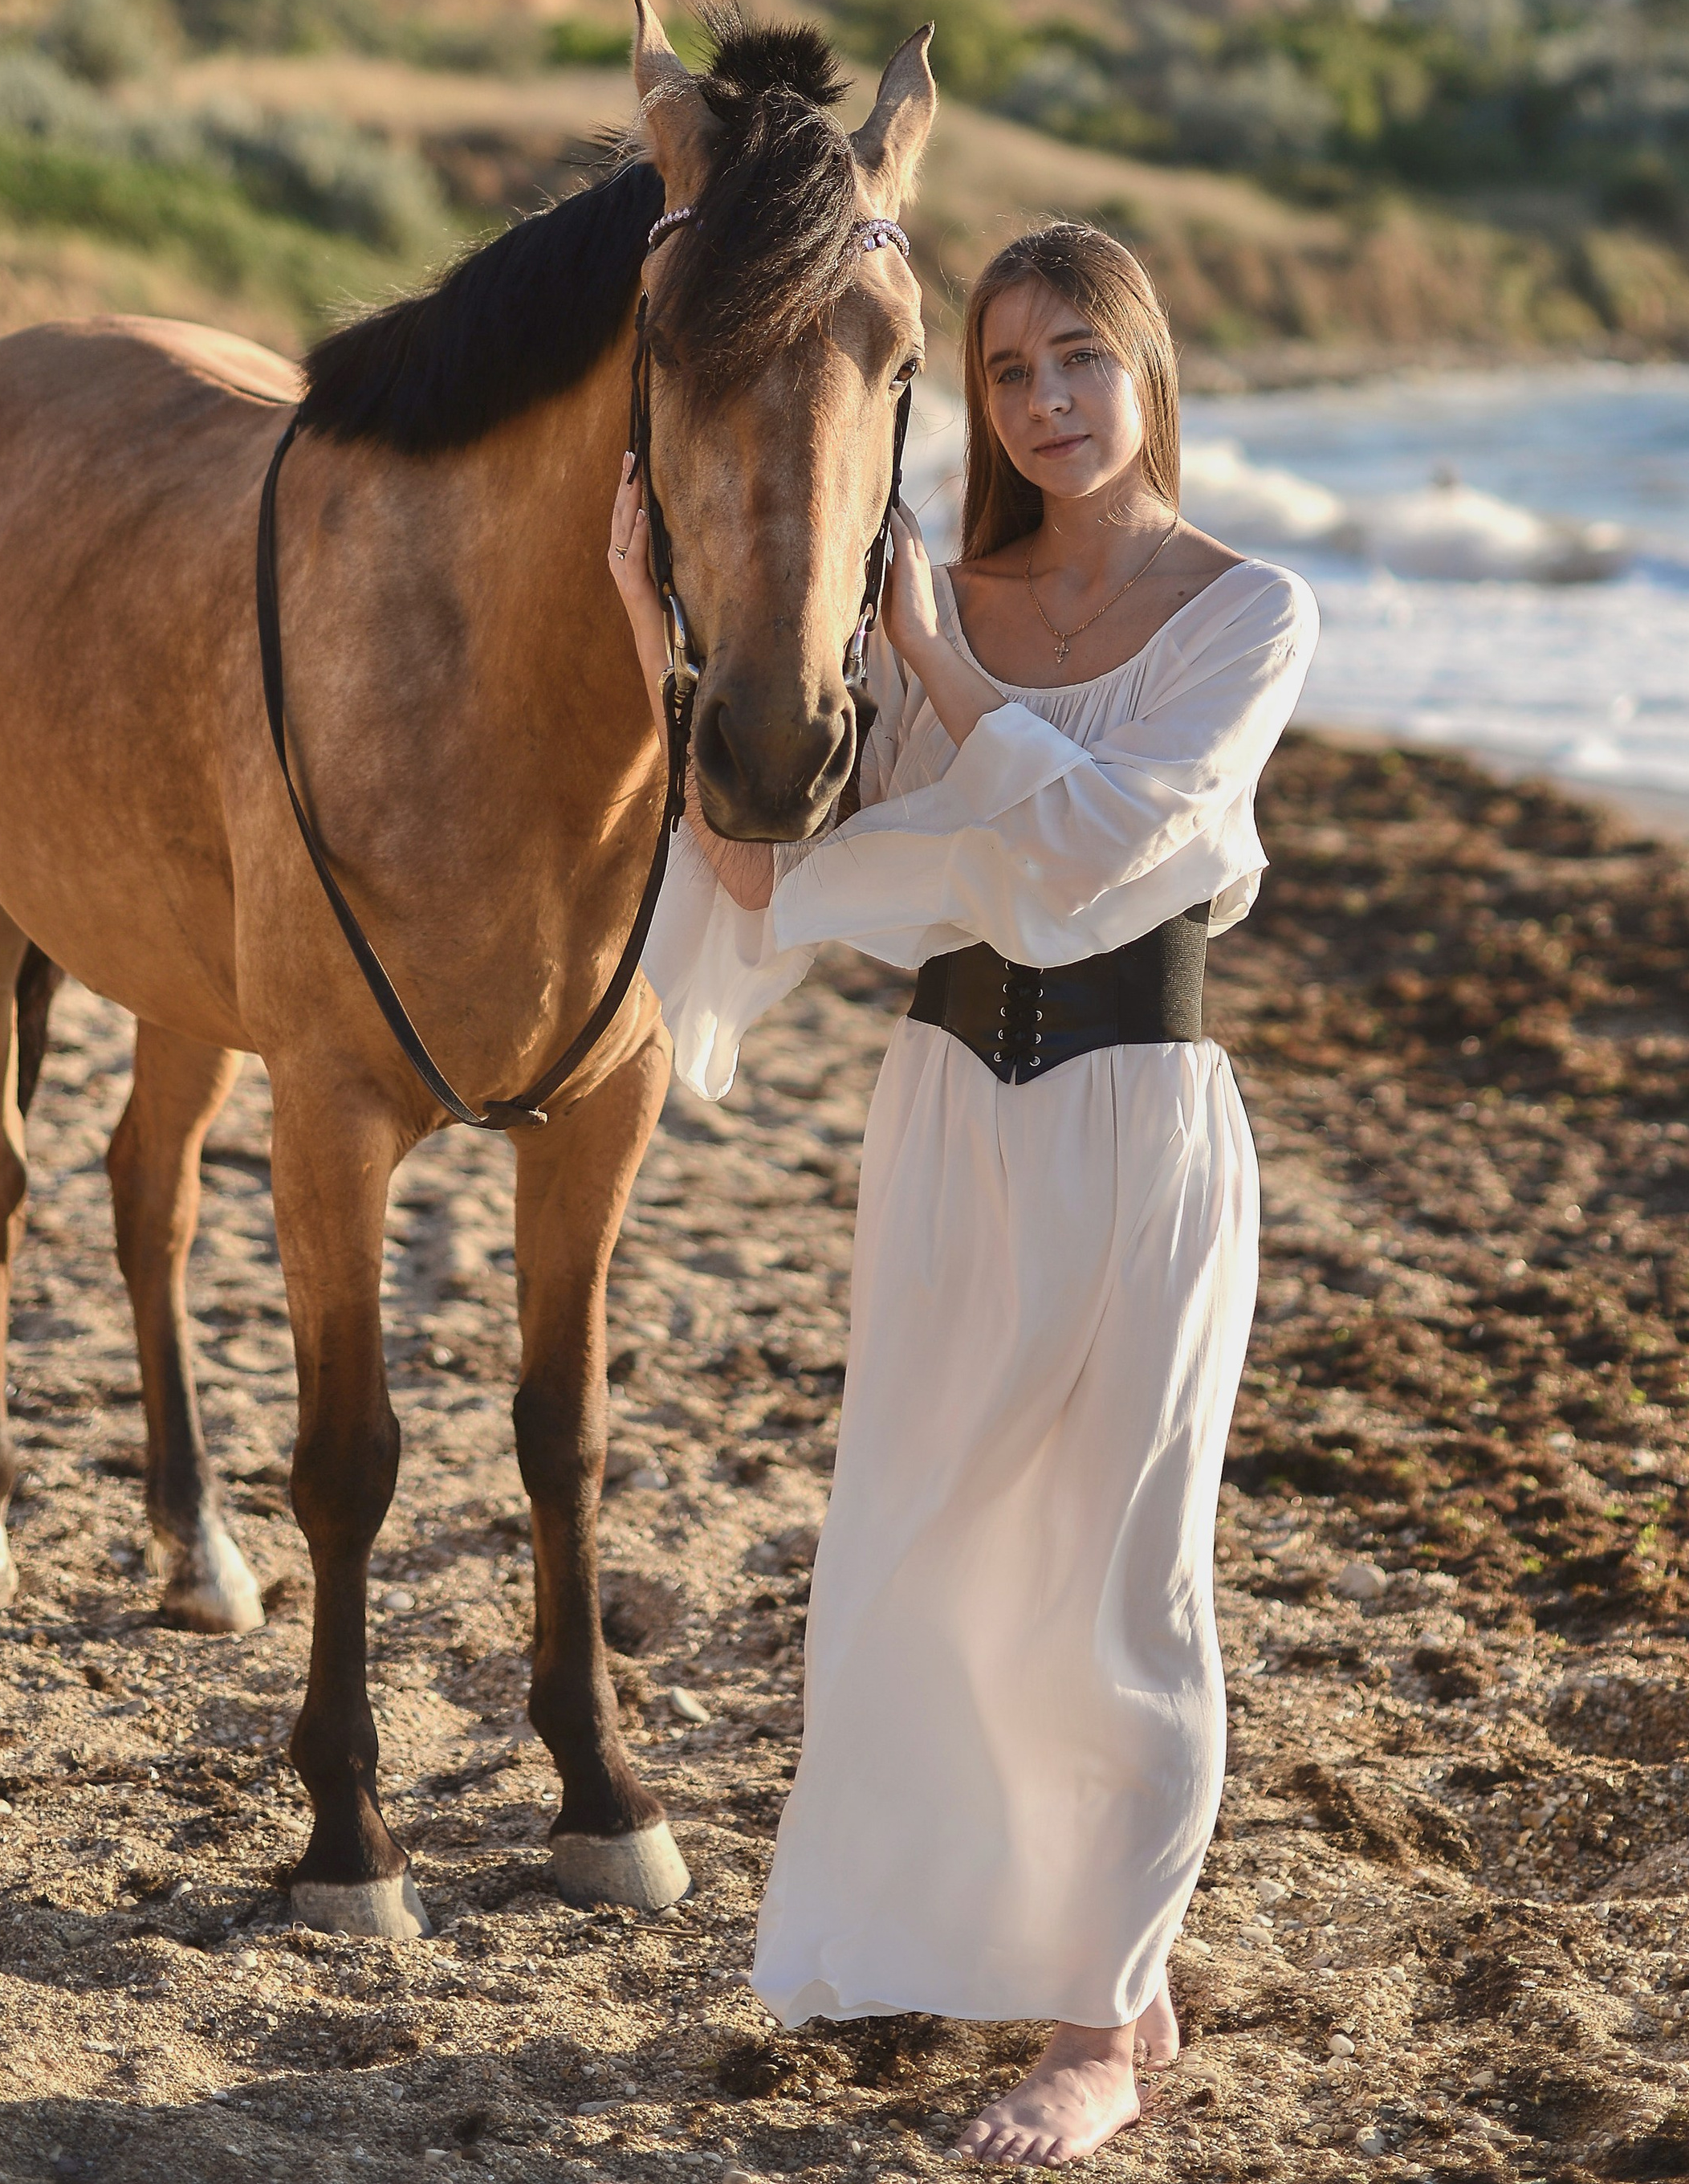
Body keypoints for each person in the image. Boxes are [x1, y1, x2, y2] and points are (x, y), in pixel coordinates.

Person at [608, 222, 1317, 2166]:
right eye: (1006, 374)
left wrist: (926, 652)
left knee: (1118, 1571)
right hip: (943, 1118)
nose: (1044, 403)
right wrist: (654, 645)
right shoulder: (935, 590)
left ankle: (1101, 2026)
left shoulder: (1250, 611)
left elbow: (1107, 849)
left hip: (1138, 1128)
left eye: (1075, 358)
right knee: (911, 1562)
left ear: (1145, 366)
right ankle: (1023, 1934)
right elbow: (776, 874)